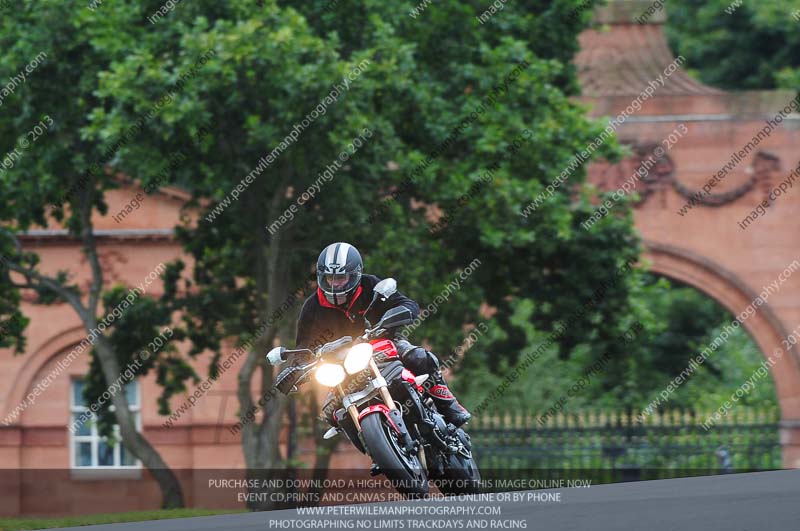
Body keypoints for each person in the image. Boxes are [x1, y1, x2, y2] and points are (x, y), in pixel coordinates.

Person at [293, 242, 471, 427]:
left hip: (383, 344)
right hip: (343, 366)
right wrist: (298, 367)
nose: (335, 284)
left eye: (341, 277)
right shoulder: (312, 307)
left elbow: (408, 305)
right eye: (330, 278)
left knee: (420, 358)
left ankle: (450, 406)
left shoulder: (371, 285)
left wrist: (393, 318)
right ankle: (375, 446)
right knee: (331, 413)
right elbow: (303, 347)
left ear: (355, 275)